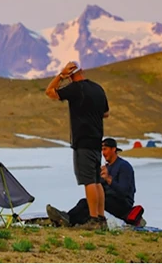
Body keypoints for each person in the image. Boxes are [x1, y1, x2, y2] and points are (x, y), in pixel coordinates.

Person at [45, 61, 110, 230]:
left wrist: (60, 75)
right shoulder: (98, 89)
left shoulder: (75, 88)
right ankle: (101, 219)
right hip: (97, 141)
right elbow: (106, 113)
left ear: (70, 74)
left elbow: (50, 92)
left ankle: (94, 220)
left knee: (88, 181)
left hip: (83, 141)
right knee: (96, 180)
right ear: (83, 70)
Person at [46, 138, 145, 227]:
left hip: (122, 204)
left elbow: (124, 192)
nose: (103, 152)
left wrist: (108, 179)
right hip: (108, 200)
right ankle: (66, 218)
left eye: (105, 149)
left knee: (87, 204)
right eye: (102, 150)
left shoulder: (124, 166)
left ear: (113, 149)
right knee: (86, 202)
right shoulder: (107, 167)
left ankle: (68, 219)